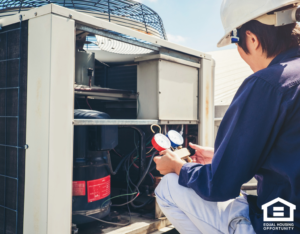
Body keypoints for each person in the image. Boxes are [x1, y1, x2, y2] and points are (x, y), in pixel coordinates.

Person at [154, 1, 300, 233]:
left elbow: (219, 185)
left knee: (168, 188)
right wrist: (223, 156)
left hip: (280, 225)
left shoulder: (266, 83)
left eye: (236, 43)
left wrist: (178, 166)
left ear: (251, 38)